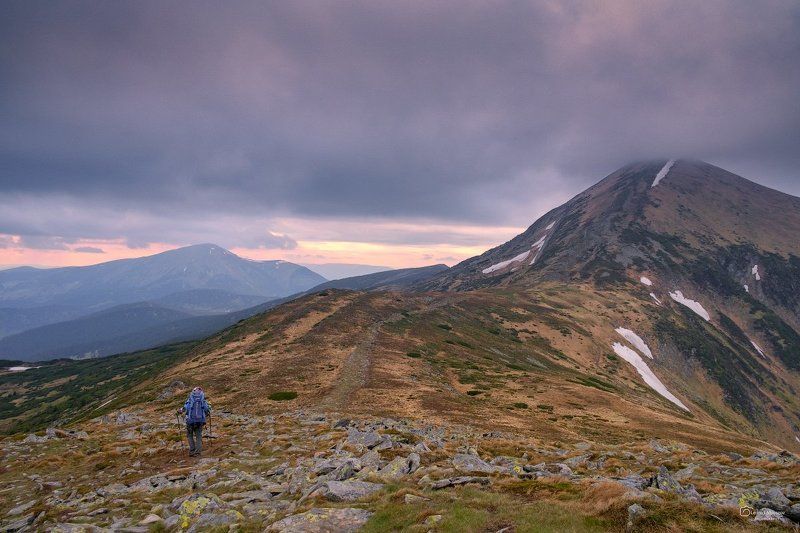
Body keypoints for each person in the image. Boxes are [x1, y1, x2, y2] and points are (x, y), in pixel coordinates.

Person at [178, 387, 211, 457]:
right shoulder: (202, 400)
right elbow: (206, 409)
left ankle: (192, 451)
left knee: (190, 435)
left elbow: (185, 408)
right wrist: (207, 413)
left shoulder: (190, 399)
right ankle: (198, 452)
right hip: (200, 421)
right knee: (198, 436)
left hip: (190, 421)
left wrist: (180, 411)